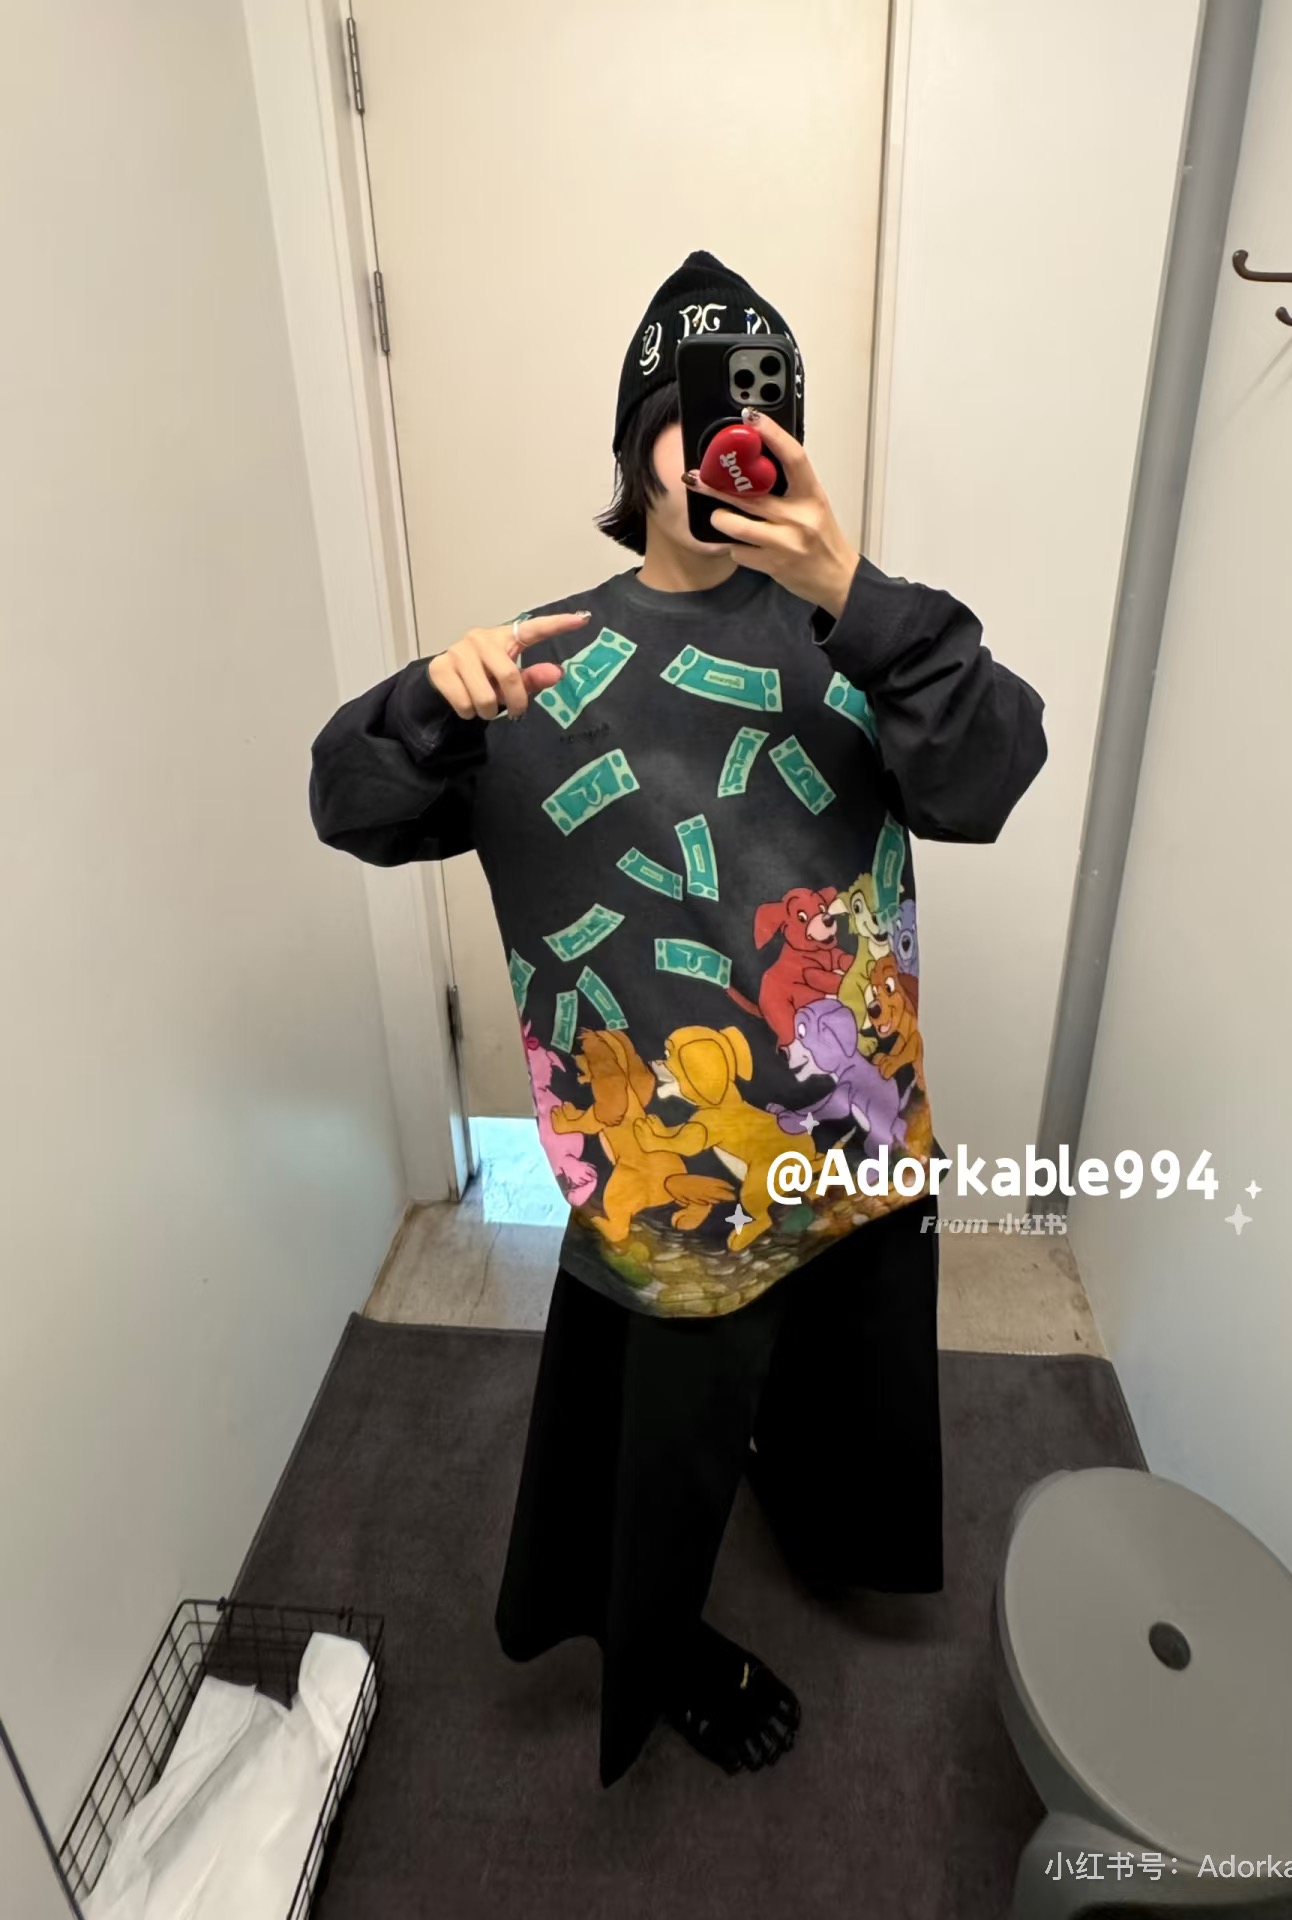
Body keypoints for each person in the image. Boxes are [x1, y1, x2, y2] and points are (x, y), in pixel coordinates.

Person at [308, 250, 1048, 1786]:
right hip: (670, 1185)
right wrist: (429, 705)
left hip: (854, 1141)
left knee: (850, 1383)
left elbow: (991, 775)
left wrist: (855, 592)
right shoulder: (533, 668)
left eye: (758, 407)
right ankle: (661, 1645)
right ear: (636, 441)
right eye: (690, 410)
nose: (723, 438)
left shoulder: (864, 641)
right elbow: (352, 803)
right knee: (652, 1453)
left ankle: (826, 1523)